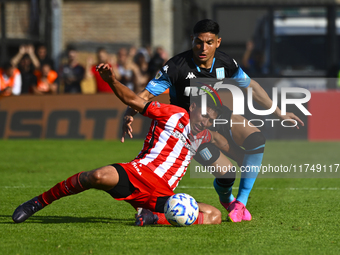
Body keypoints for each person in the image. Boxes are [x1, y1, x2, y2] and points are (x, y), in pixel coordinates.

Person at [121, 19, 304, 222]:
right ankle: (227, 200)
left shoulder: (226, 63)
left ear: (218, 42)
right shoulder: (176, 66)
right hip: (189, 126)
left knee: (256, 139)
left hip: (216, 115)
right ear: (192, 40)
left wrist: (279, 113)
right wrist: (130, 113)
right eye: (199, 42)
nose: (203, 48)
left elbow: (250, 86)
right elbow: (146, 94)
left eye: (209, 42)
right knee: (227, 175)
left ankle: (241, 203)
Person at [12, 63, 235, 226]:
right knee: (96, 176)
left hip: (162, 195)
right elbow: (134, 101)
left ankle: (151, 218)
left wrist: (233, 160)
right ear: (194, 107)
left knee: (214, 216)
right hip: (137, 173)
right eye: (204, 115)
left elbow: (222, 145)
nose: (206, 122)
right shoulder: (173, 114)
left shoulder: (205, 135)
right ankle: (37, 203)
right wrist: (112, 81)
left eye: (211, 120)